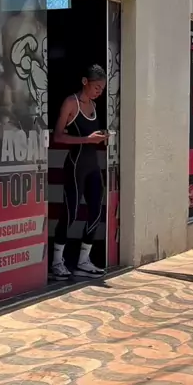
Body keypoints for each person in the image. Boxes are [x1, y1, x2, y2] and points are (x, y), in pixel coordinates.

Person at [51, 64, 108, 279]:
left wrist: (100, 137)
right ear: (85, 81)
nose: (99, 92)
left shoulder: (94, 105)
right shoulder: (70, 103)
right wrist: (87, 139)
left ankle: (84, 260)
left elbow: (91, 135)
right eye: (96, 87)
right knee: (71, 212)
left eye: (102, 89)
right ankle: (57, 262)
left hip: (93, 166)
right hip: (75, 165)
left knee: (96, 211)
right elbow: (58, 136)